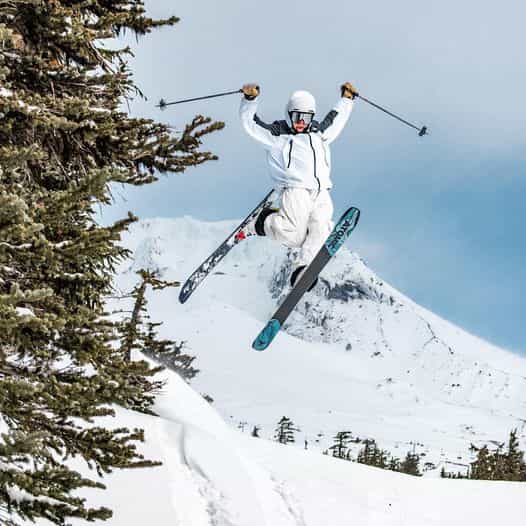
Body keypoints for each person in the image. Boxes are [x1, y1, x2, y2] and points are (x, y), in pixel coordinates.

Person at [239, 81, 358, 288]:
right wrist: (250, 100)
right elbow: (251, 124)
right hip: (295, 189)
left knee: (322, 229)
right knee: (293, 236)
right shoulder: (278, 135)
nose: (301, 122)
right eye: (297, 117)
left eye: (306, 117)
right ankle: (263, 221)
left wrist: (346, 99)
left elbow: (336, 119)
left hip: (321, 191)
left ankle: (304, 268)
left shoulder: (319, 133)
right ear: (289, 114)